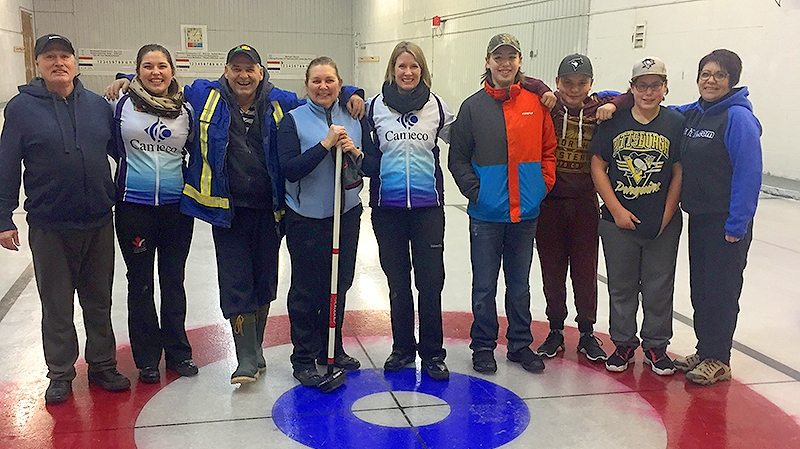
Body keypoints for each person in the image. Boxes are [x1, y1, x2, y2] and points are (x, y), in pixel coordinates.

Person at [107, 44, 364, 385]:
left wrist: (349, 92)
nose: (243, 75)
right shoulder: (204, 95)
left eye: (250, 69)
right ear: (226, 71)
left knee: (264, 281)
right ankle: (245, 357)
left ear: (260, 72)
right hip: (226, 210)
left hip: (270, 210)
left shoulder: (280, 101)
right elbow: (161, 84)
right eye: (236, 68)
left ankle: (256, 350)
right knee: (235, 281)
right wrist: (126, 79)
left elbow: (318, 99)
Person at [0, 34, 130, 405]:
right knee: (56, 303)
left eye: (65, 56)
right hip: (49, 224)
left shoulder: (97, 106)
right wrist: (3, 215)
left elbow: (121, 151)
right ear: (38, 65)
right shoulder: (22, 108)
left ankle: (103, 365)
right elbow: (7, 163)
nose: (58, 62)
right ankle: (60, 373)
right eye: (50, 57)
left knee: (99, 300)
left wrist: (124, 78)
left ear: (76, 62)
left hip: (98, 222)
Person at [448, 33, 557, 375]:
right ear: (488, 62)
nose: (505, 63)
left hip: (525, 213)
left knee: (520, 284)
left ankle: (520, 345)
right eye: (499, 57)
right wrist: (476, 191)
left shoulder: (536, 103)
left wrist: (540, 187)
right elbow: (458, 158)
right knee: (484, 285)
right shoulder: (472, 107)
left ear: (519, 62)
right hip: (485, 214)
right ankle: (482, 346)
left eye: (511, 57)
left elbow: (548, 151)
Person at [278, 56, 374, 387]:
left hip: (346, 215)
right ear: (306, 85)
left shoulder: (355, 115)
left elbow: (371, 165)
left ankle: (330, 348)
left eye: (329, 80)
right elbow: (290, 169)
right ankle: (304, 357)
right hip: (307, 218)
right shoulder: (293, 120)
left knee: (339, 283)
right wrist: (325, 145)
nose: (323, 86)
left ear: (339, 83)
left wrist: (355, 151)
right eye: (316, 81)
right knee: (306, 289)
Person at [362, 41, 455, 380]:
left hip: (428, 209)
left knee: (430, 283)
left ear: (422, 70)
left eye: (414, 66)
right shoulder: (373, 107)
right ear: (392, 69)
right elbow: (364, 151)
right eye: (401, 66)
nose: (408, 72)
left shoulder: (437, 106)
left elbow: (463, 139)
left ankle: (432, 354)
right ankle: (402, 348)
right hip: (388, 210)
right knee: (398, 281)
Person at [670, 49, 762, 385]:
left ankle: (718, 359)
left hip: (727, 222)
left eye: (719, 75)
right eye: (705, 74)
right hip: (701, 217)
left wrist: (737, 224)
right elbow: (659, 110)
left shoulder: (738, 118)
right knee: (702, 290)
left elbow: (749, 173)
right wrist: (612, 99)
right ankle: (705, 349)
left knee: (722, 291)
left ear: (731, 80)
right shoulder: (697, 113)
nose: (710, 80)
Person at [589, 57, 684, 376]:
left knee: (659, 286)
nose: (648, 91)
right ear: (631, 89)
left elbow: (678, 172)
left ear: (665, 88)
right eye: (641, 85)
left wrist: (666, 217)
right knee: (622, 284)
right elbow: (598, 167)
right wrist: (615, 210)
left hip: (662, 223)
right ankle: (624, 343)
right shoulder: (613, 121)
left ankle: (656, 346)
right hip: (618, 222)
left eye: (655, 85)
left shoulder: (674, 123)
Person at [108, 44, 196, 384]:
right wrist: (122, 82)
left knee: (174, 281)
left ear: (172, 71)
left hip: (176, 210)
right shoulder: (119, 103)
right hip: (134, 209)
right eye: (147, 66)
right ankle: (146, 358)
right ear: (137, 71)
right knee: (140, 284)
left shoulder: (186, 109)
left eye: (162, 66)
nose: (155, 72)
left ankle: (178, 353)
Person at [534, 54, 626, 363]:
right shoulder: (548, 104)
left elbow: (630, 96)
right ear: (557, 82)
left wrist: (612, 105)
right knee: (552, 270)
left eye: (582, 83)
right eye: (568, 83)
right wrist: (543, 88)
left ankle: (587, 332)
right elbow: (519, 79)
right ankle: (556, 328)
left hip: (586, 203)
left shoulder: (598, 106)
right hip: (549, 204)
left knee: (585, 271)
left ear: (591, 84)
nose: (575, 90)